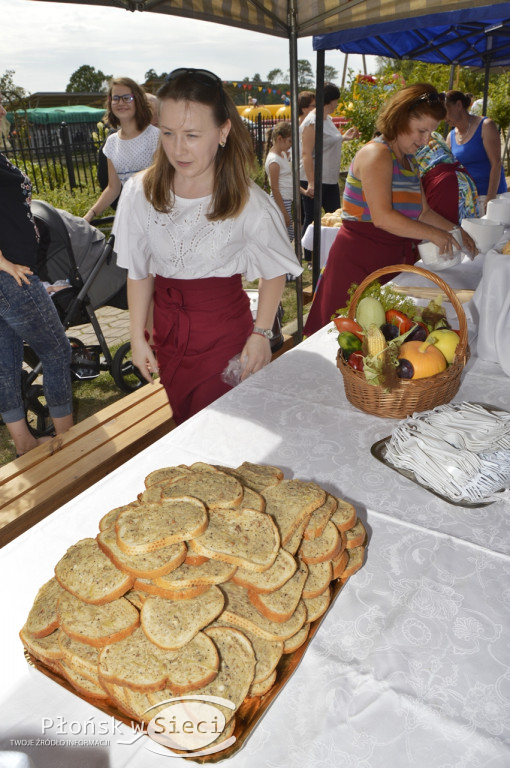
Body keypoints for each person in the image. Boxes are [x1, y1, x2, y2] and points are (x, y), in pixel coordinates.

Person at [113, 67, 302, 425]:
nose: (178, 148)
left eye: (192, 135)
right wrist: (137, 336)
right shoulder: (140, 192)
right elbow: (138, 271)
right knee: (184, 423)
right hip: (167, 331)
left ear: (223, 131)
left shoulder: (250, 202)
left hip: (223, 334)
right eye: (167, 133)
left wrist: (262, 333)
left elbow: (275, 269)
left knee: (220, 428)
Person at [304, 83, 476, 337]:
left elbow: (423, 212)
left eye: (430, 132)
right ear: (399, 119)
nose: (426, 139)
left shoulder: (409, 160)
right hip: (358, 264)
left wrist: (457, 230)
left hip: (387, 263)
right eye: (421, 130)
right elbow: (383, 217)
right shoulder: (377, 154)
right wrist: (436, 235)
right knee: (346, 342)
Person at [0, 95, 73, 457]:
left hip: (10, 277)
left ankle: (24, 443)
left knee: (6, 361)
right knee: (57, 351)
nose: (2, 110)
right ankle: (69, 440)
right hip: (11, 278)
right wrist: (3, 261)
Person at [84, 77, 160, 222]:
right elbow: (113, 188)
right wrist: (90, 215)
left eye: (127, 98)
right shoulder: (112, 143)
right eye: (116, 98)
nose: (121, 103)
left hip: (157, 216)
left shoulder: (155, 137)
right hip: (130, 218)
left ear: (137, 100)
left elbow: (160, 182)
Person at [299, 82, 359, 262]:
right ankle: (308, 257)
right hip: (315, 178)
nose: (337, 105)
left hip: (330, 177)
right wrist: (311, 182)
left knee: (335, 214)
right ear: (330, 101)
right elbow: (306, 154)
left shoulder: (328, 119)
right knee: (313, 217)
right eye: (336, 101)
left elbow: (327, 142)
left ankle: (332, 252)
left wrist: (344, 137)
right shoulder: (312, 121)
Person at [445, 90, 507, 213]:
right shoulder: (450, 137)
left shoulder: (485, 125)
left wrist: (490, 198)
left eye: (446, 110)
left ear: (458, 105)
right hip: (467, 200)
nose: (443, 117)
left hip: (491, 196)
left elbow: (496, 163)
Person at [416, 131, 481, 224]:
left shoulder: (404, 141)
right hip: (461, 181)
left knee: (445, 233)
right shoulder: (433, 134)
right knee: (461, 232)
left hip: (444, 186)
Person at [264, 121, 296, 241]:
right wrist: (283, 212)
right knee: (285, 239)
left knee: (289, 237)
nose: (291, 145)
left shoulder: (282, 155)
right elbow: (275, 188)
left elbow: (287, 179)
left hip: (286, 201)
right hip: (281, 202)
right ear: (279, 138)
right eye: (289, 141)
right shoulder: (274, 161)